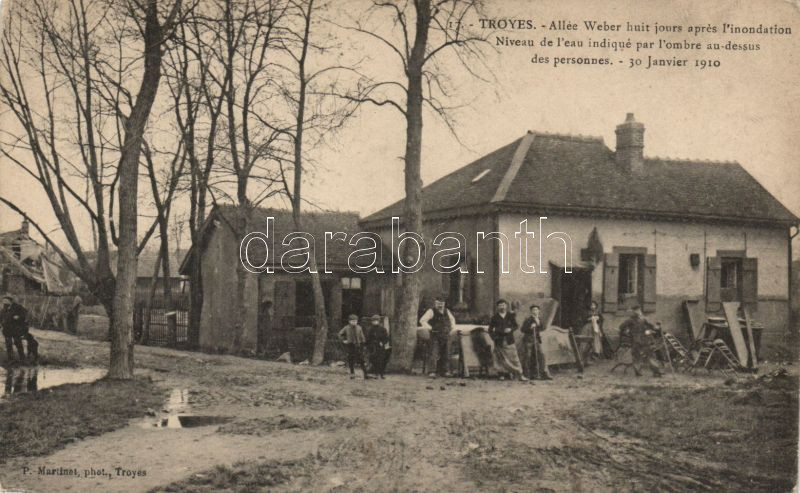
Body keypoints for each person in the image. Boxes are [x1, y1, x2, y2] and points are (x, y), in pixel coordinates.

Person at [488, 299, 527, 381]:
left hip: (509, 340)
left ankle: (519, 374)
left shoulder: (510, 316)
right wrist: (494, 337)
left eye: (503, 305)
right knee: (500, 358)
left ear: (506, 306)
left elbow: (516, 326)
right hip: (499, 340)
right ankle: (501, 374)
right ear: (497, 307)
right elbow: (490, 330)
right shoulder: (494, 317)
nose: (502, 307)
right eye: (500, 305)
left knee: (514, 358)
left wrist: (510, 329)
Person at [617, 306, 662, 377]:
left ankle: (656, 372)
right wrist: (628, 334)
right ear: (633, 312)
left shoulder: (643, 319)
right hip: (635, 342)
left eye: (639, 310)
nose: (638, 312)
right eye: (636, 310)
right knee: (637, 357)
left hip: (645, 341)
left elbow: (651, 326)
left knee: (650, 356)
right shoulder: (630, 320)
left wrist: (656, 328)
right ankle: (638, 372)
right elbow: (621, 327)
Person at [419, 296, 456, 377]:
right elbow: (422, 320)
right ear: (435, 303)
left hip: (445, 334)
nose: (440, 306)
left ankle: (445, 371)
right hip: (435, 335)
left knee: (446, 352)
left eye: (442, 304)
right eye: (438, 304)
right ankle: (432, 371)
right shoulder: (431, 311)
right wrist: (430, 328)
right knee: (434, 352)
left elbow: (452, 320)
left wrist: (452, 327)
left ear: (444, 304)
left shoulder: (447, 311)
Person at [1, 295, 38, 364]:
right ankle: (11, 359)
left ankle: (22, 358)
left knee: (18, 343)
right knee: (8, 344)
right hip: (7, 330)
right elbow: (1, 317)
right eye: (3, 301)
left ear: (10, 301)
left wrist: (19, 317)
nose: (4, 302)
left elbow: (25, 313)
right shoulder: (3, 309)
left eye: (6, 301)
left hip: (16, 329)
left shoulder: (17, 307)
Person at [520, 305, 552, 380]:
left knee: (541, 355)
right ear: (531, 311)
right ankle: (526, 374)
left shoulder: (539, 319)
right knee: (528, 356)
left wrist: (538, 324)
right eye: (533, 310)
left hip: (536, 340)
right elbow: (522, 329)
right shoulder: (528, 320)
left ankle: (544, 373)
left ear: (539, 311)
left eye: (536, 310)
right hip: (528, 340)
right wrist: (530, 327)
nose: (535, 311)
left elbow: (543, 327)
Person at [338, 314, 368, 379]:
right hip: (350, 346)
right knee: (351, 360)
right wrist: (344, 340)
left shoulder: (359, 328)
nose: (354, 322)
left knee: (361, 360)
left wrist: (363, 343)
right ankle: (352, 374)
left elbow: (362, 336)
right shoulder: (346, 328)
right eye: (352, 321)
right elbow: (340, 334)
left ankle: (366, 374)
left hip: (358, 346)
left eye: (355, 321)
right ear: (349, 321)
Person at [365, 314, 391, 379]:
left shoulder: (383, 329)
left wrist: (383, 343)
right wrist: (370, 345)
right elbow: (368, 339)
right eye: (373, 321)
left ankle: (382, 374)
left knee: (382, 360)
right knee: (374, 361)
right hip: (373, 347)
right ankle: (376, 374)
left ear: (379, 321)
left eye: (376, 320)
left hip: (381, 347)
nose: (375, 322)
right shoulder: (370, 329)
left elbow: (386, 338)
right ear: (371, 322)